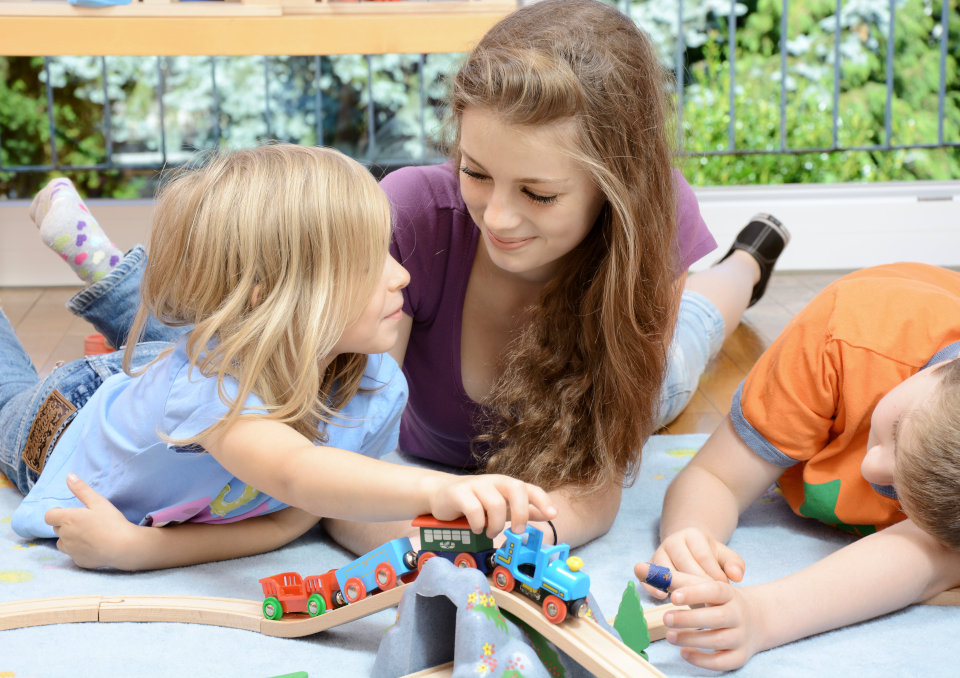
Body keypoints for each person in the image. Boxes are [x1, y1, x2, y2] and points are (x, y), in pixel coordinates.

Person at [34, 0, 788, 557]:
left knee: (689, 340)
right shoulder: (414, 218)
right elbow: (319, 456)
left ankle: (746, 262)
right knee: (218, 338)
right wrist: (438, 530)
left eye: (540, 194)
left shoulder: (641, 237)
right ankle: (126, 285)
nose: (496, 216)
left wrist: (509, 537)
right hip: (323, 430)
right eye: (476, 172)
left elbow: (591, 498)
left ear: (613, 194)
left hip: (625, 332)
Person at [3, 144, 555, 571]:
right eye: (370, 265)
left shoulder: (376, 385)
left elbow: (287, 522)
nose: (402, 277)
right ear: (276, 295)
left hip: (180, 374)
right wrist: (438, 488)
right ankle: (108, 272)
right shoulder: (214, 391)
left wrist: (146, 549)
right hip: (62, 421)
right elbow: (295, 473)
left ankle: (107, 269)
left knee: (194, 330)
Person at [641, 262, 960, 671]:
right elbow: (716, 475)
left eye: (900, 489)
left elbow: (923, 564)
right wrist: (693, 534)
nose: (869, 468)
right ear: (940, 370)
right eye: (895, 434)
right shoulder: (842, 338)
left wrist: (762, 616)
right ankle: (746, 263)